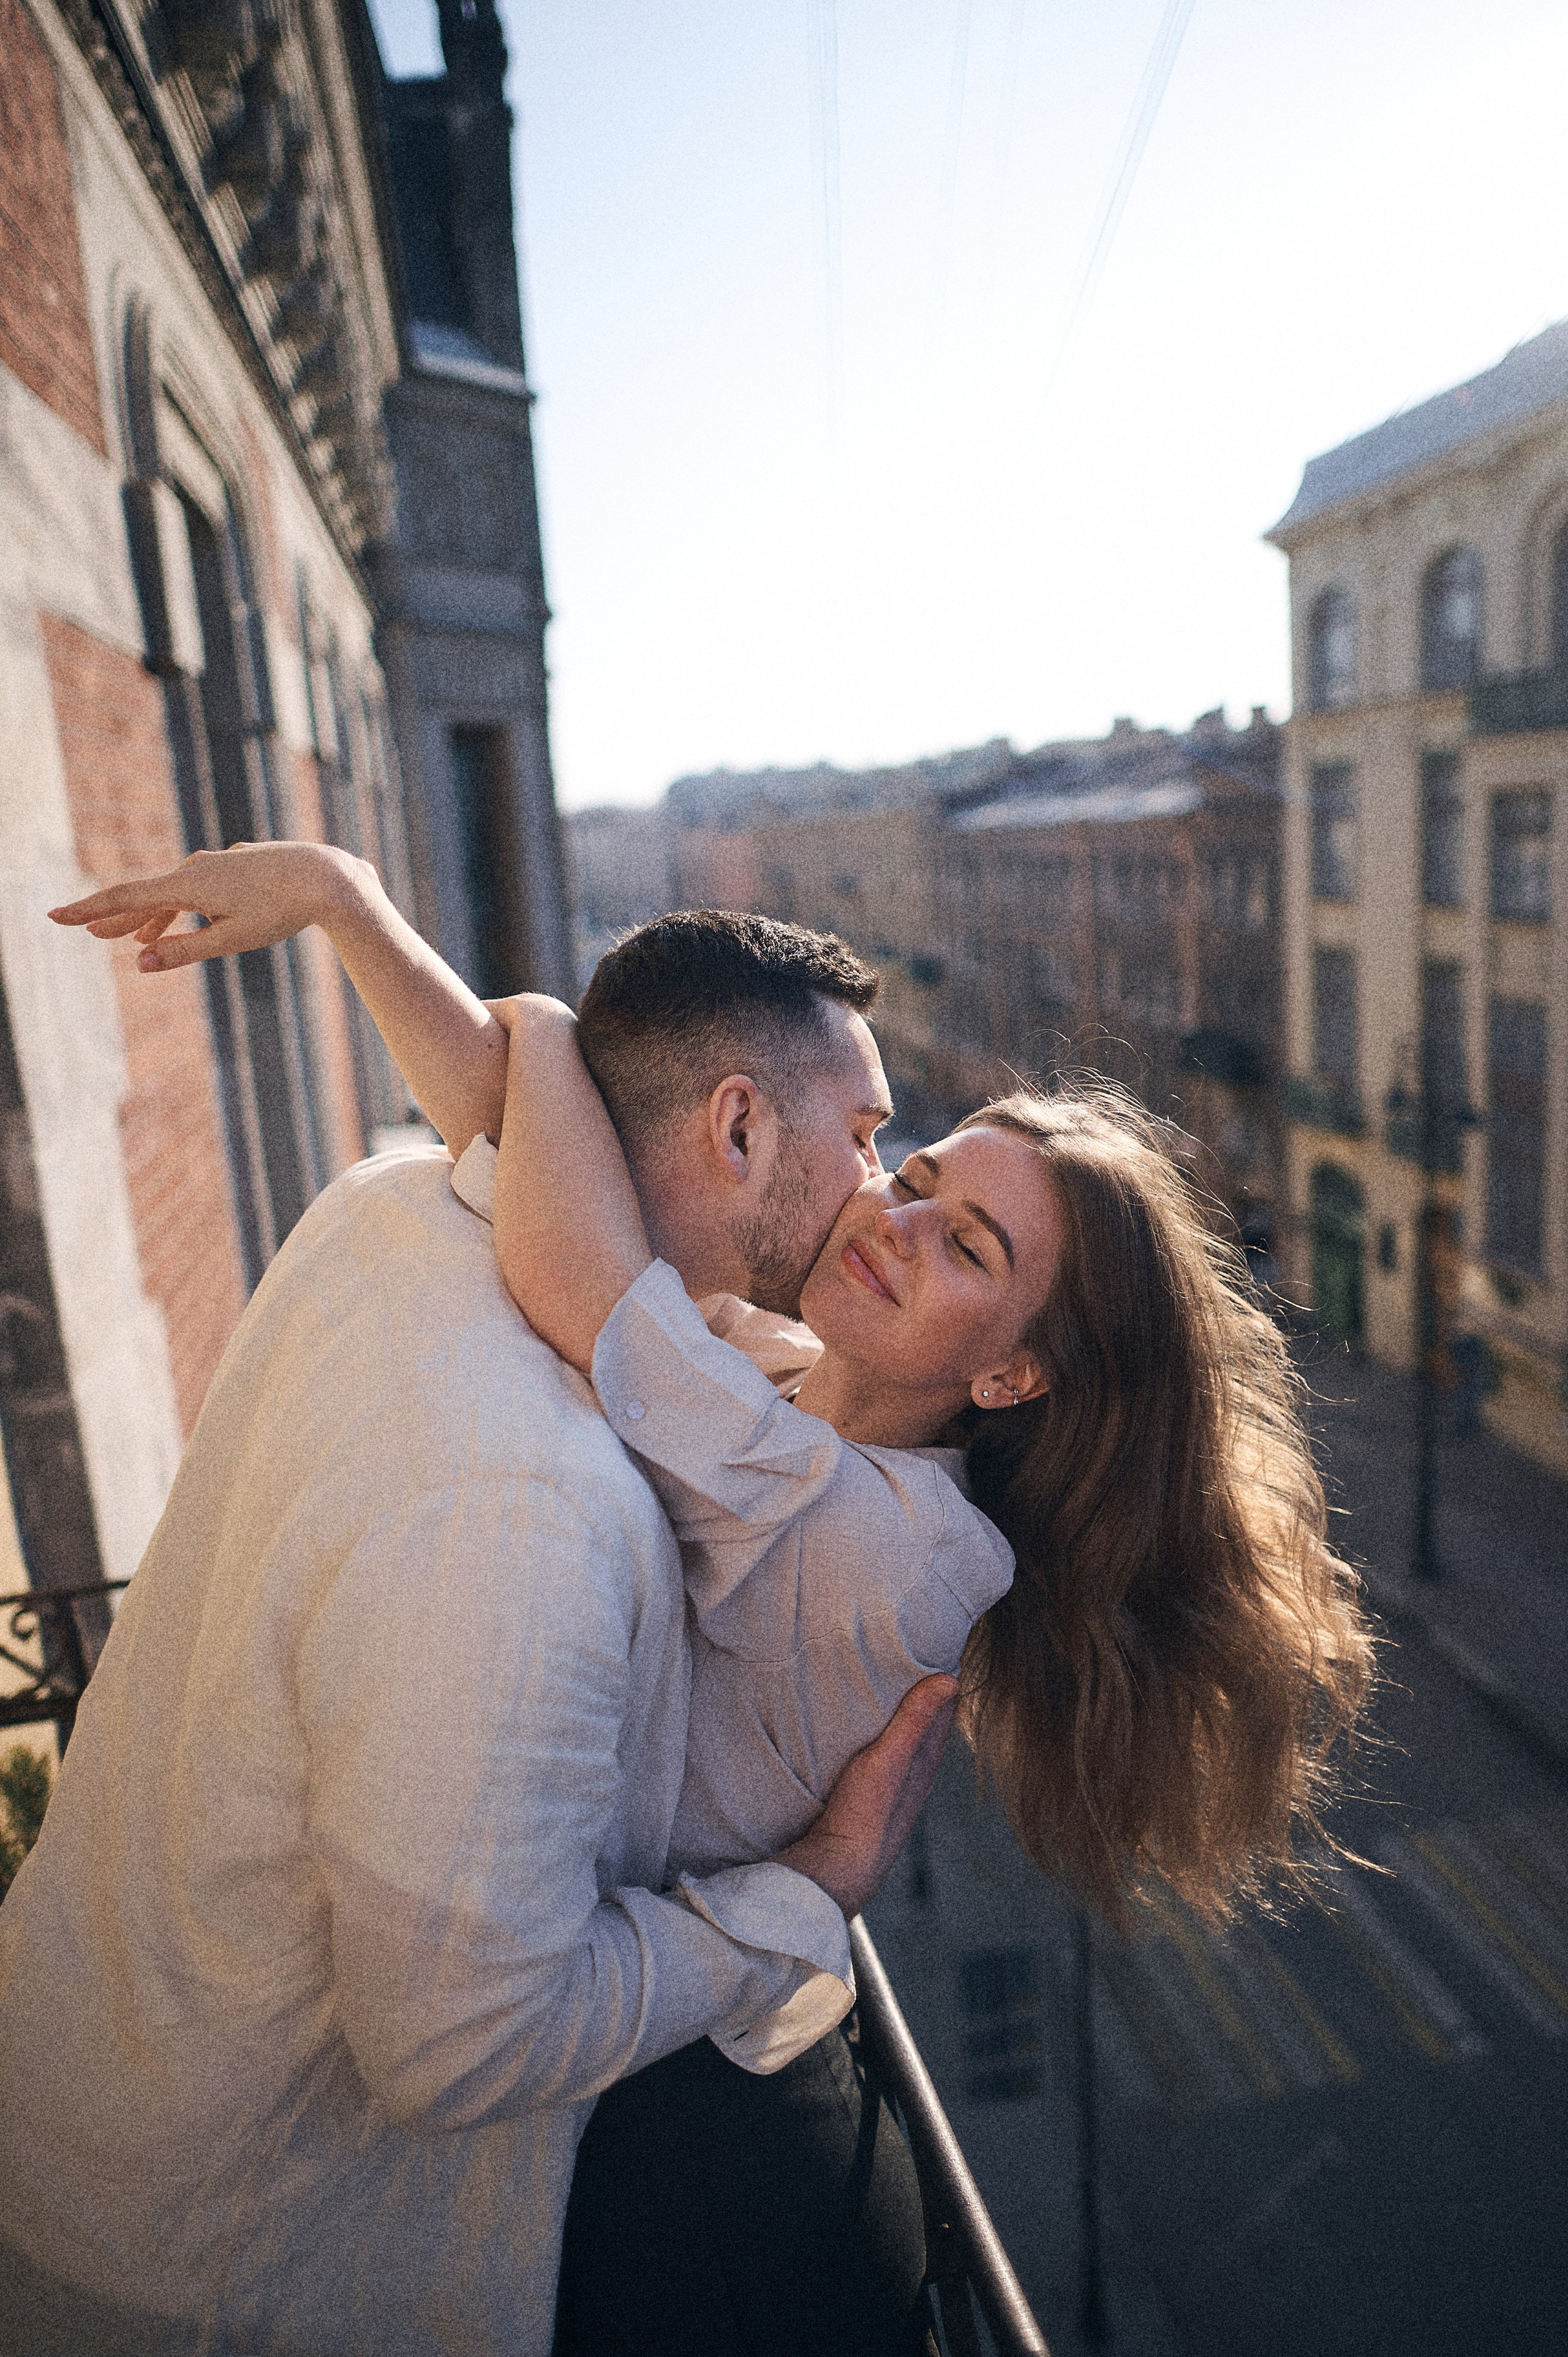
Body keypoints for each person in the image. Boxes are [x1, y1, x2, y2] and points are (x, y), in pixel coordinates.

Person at [48, 842, 1376, 2351]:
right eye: (914, 1166)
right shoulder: (796, 1382)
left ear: (1009, 1373)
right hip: (590, 1976)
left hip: (659, 2041)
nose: (892, 1210)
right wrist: (360, 917)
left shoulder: (907, 1548)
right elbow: (548, 1150)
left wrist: (540, 1019)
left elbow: (582, 1266)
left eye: (966, 1245)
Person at [3, 857, 958, 2356]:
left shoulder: (400, 1196)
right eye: (863, 1133)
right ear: (733, 1123)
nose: (883, 1184)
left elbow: (536, 1110)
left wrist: (351, 902)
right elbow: (466, 2042)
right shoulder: (523, 1511)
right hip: (221, 2276)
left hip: (107, 2100)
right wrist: (804, 1889)